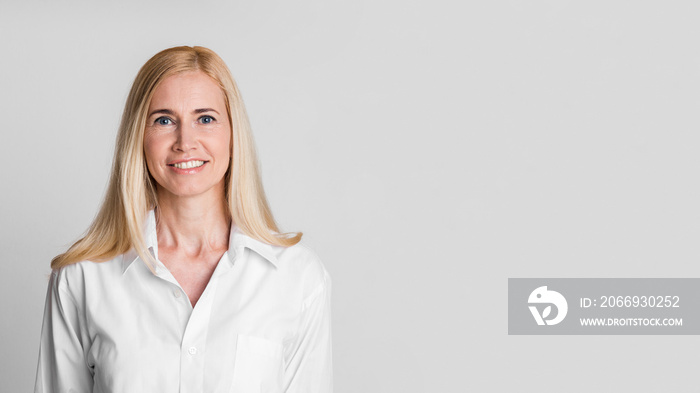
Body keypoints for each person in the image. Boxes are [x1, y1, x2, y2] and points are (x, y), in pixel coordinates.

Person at [34, 46, 333, 393]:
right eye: (164, 120)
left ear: (233, 136)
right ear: (139, 138)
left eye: (205, 119)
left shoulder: (298, 278)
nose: (185, 142)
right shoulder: (83, 278)